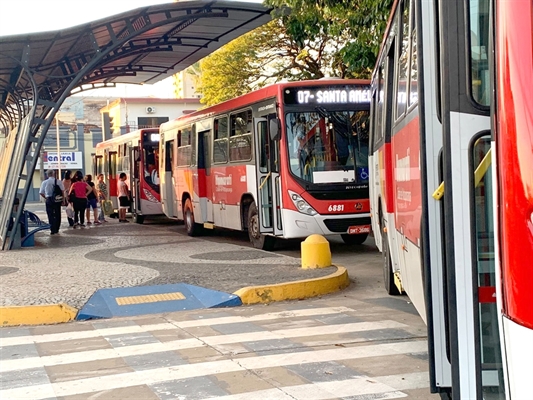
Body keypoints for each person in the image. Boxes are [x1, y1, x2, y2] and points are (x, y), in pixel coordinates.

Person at [39, 169, 65, 235]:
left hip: (49, 199)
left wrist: (46, 197)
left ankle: (52, 229)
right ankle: (57, 228)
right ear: (54, 174)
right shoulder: (59, 182)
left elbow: (41, 192)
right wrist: (63, 200)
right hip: (57, 199)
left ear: (47, 175)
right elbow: (62, 191)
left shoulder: (44, 182)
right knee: (57, 214)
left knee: (50, 214)